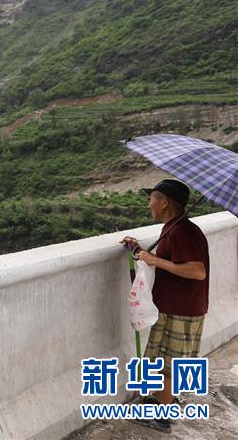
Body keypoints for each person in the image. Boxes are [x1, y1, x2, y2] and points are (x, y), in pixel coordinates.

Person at [121, 179, 209, 434]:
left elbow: (197, 271)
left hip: (180, 307)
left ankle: (162, 417)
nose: (149, 204)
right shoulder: (175, 228)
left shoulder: (182, 232)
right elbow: (160, 259)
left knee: (167, 363)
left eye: (152, 199)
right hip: (178, 305)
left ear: (165, 202)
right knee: (164, 359)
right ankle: (163, 400)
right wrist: (136, 249)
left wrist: (154, 260)